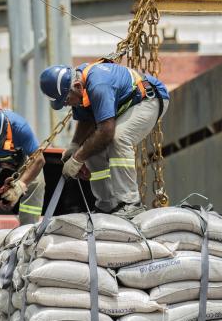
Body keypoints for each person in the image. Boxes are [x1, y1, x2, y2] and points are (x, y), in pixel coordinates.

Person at [39, 60, 169, 218]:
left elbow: (106, 131)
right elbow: (86, 120)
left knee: (118, 138)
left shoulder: (98, 85)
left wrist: (77, 159)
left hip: (149, 98)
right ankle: (107, 204)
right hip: (127, 103)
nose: (66, 105)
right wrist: (74, 147)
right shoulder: (77, 86)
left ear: (78, 87)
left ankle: (130, 203)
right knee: (92, 150)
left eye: (66, 100)